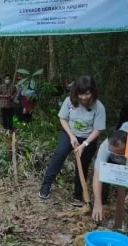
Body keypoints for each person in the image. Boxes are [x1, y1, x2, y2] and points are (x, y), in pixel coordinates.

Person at [38, 75, 106, 205]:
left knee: (83, 164)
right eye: (81, 94)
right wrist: (71, 135)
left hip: (88, 138)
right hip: (69, 133)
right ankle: (46, 184)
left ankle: (78, 194)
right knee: (59, 154)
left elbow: (98, 130)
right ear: (76, 92)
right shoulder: (69, 101)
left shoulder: (99, 107)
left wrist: (84, 144)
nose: (84, 97)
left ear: (92, 92)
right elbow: (63, 119)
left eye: (87, 93)